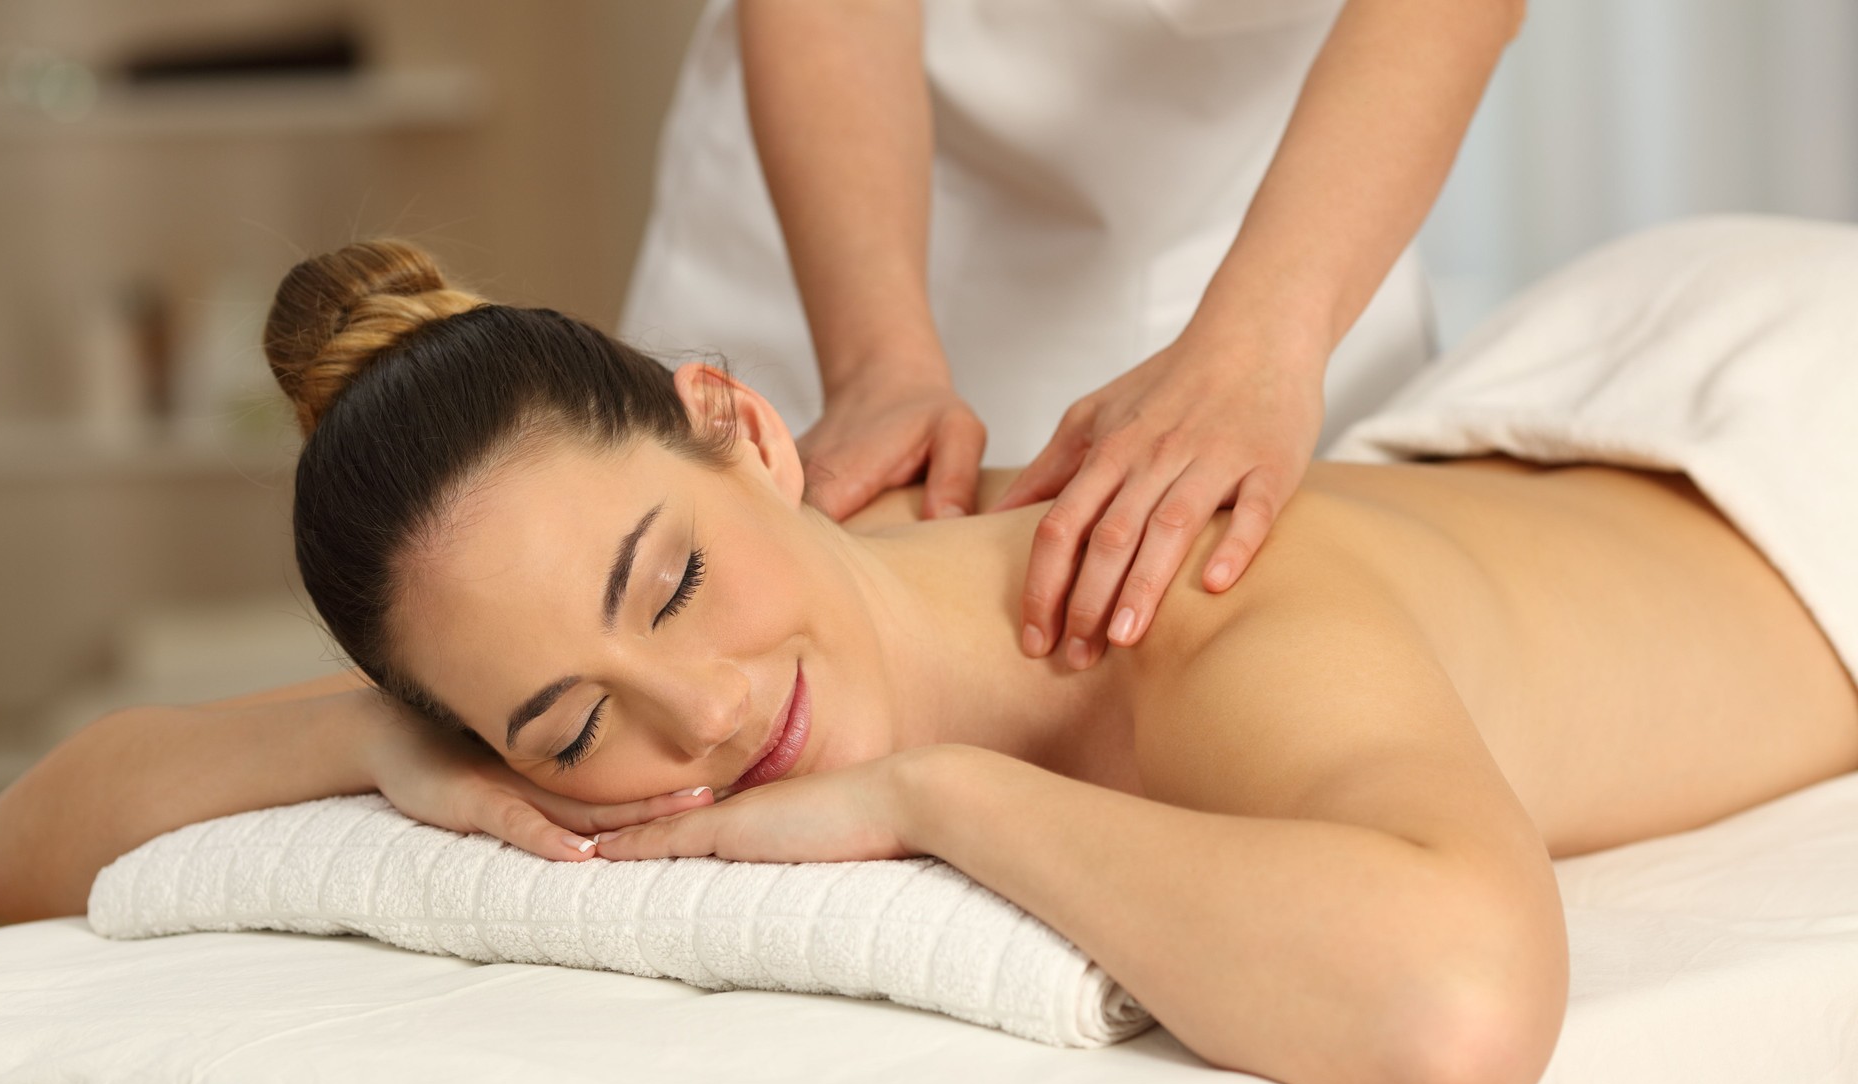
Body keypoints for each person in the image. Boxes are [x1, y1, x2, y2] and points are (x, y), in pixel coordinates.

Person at [0, 239, 1858, 1084]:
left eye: (676, 582)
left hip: (1784, 420)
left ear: (741, 430)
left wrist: (936, 805)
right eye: (567, 724)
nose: (694, 723)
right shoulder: (537, 720)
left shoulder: (1179, 613)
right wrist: (380, 748)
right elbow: (25, 850)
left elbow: (1453, 1020)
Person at [623, 0, 1524, 671]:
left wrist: (1261, 346)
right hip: (842, 172)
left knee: (1235, 646)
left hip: (1281, 189)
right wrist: (874, 366)